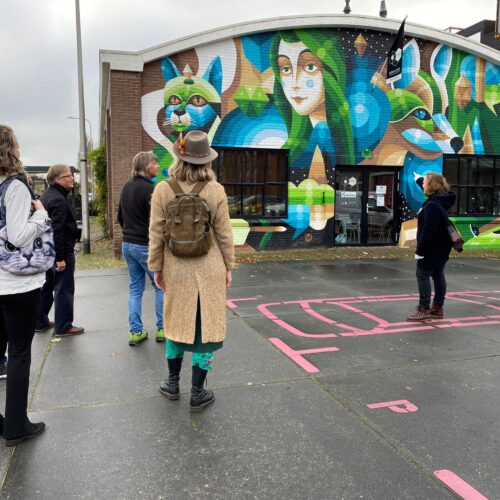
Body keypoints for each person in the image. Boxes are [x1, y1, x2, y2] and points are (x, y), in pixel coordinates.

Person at [148, 130, 234, 412]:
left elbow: (156, 233)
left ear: (179, 157)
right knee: (205, 327)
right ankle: (198, 392)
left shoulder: (163, 189)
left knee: (176, 321)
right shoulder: (215, 190)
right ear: (206, 161)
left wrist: (156, 267)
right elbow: (224, 234)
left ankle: (172, 384)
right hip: (209, 267)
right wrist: (228, 266)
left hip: (175, 267)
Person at [0, 124, 47, 445]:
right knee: (18, 352)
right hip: (16, 283)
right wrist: (41, 217)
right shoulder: (15, 187)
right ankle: (17, 425)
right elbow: (17, 237)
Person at [270, 29, 354, 184]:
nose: (294, 83)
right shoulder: (297, 141)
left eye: (309, 67)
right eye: (286, 69)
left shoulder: (325, 135)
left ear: (331, 72)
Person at [117, 151, 164, 346]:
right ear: (147, 166)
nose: (158, 167)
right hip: (146, 245)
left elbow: (120, 216)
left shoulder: (126, 187)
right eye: (155, 163)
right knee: (161, 286)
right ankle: (163, 329)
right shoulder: (151, 190)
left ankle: (136, 332)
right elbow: (158, 221)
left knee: (135, 288)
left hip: (128, 244)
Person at [35, 164, 84, 336]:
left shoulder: (46, 196)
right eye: (68, 176)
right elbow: (58, 231)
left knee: (48, 285)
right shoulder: (58, 199)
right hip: (60, 251)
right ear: (57, 179)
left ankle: (39, 322)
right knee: (64, 288)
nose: (72, 178)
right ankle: (64, 326)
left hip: (48, 251)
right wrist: (60, 258)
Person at [407, 173, 455, 322]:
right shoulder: (442, 199)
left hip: (433, 248)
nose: (423, 185)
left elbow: (428, 230)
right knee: (438, 274)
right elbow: (428, 183)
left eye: (425, 183)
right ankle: (437, 308)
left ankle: (424, 309)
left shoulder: (432, 205)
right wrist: (418, 179)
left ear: (431, 186)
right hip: (443, 247)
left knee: (422, 273)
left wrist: (420, 251)